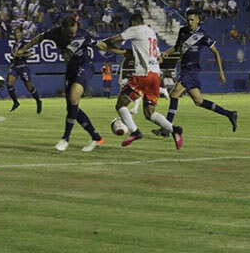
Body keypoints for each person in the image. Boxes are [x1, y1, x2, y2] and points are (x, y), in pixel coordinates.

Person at [14, 16, 106, 152]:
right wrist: (24, 48)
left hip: (85, 66)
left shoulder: (82, 35)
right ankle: (96, 137)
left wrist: (119, 51)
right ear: (63, 30)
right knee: (72, 107)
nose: (73, 35)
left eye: (74, 32)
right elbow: (40, 37)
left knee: (74, 98)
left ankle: (65, 138)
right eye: (70, 33)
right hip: (70, 69)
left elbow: (100, 45)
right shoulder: (55, 33)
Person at [101, 13, 184, 150]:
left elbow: (116, 39)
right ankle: (174, 129)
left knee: (121, 104)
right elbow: (157, 57)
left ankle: (135, 132)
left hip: (143, 74)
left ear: (133, 22)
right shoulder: (151, 33)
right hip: (155, 76)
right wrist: (110, 48)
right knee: (149, 113)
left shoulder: (135, 29)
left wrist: (104, 43)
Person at [153, 10, 238, 138]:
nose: (190, 22)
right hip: (185, 69)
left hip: (191, 70)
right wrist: (167, 52)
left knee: (174, 94)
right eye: (188, 20)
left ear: (198, 20)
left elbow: (216, 53)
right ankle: (229, 114)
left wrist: (221, 72)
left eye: (192, 20)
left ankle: (167, 128)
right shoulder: (183, 31)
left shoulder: (203, 35)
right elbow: (177, 46)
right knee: (198, 101)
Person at [8, 27, 42, 113]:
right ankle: (15, 102)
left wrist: (21, 55)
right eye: (16, 33)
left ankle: (38, 100)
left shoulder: (25, 43)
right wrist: (12, 58)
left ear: (21, 33)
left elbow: (30, 54)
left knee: (29, 86)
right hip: (15, 66)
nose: (18, 34)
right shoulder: (15, 45)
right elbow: (14, 55)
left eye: (19, 32)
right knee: (9, 84)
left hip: (23, 67)